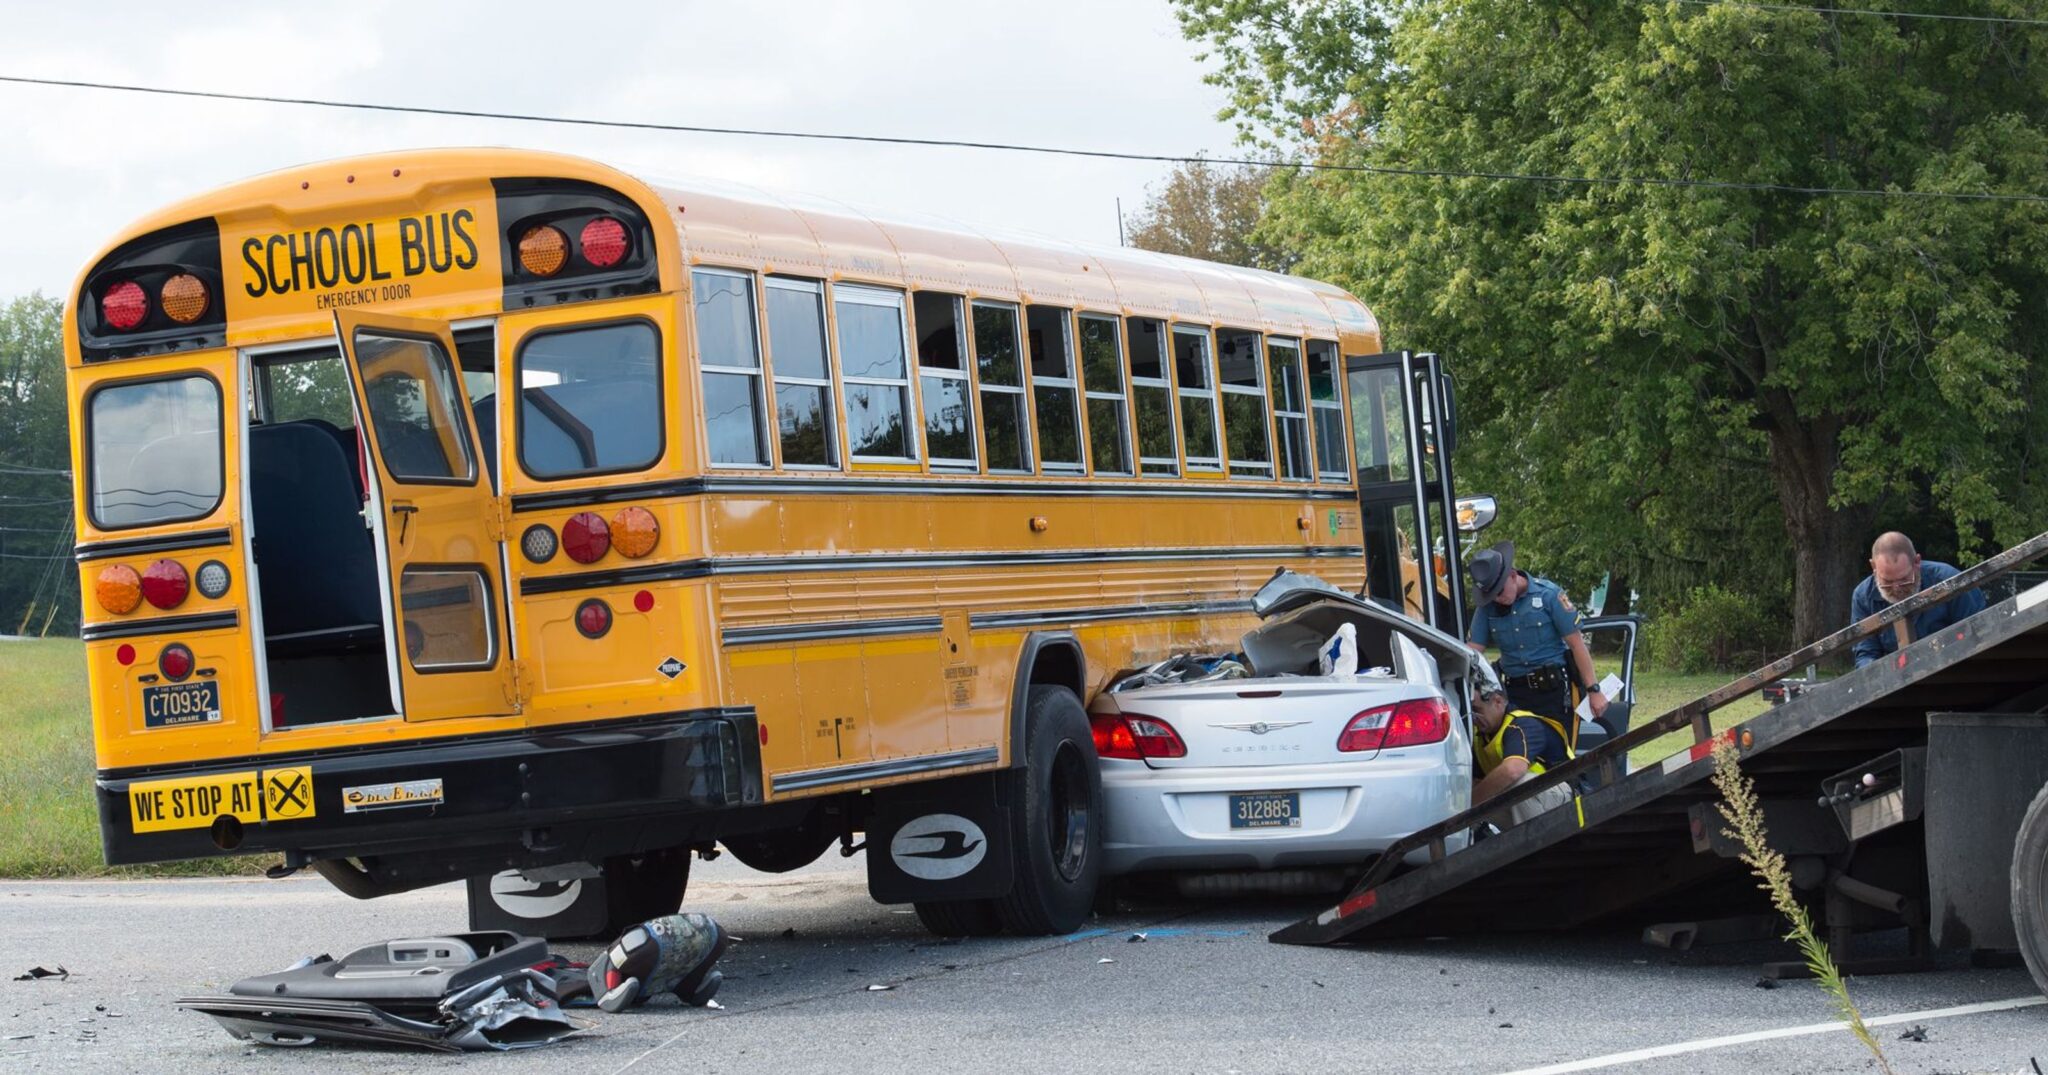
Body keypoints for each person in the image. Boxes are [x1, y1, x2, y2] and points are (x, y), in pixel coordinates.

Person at [1466, 540, 1607, 727]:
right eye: (1491, 595)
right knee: (1520, 749)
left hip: (1553, 692)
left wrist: (1594, 690)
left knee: (1558, 753)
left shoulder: (1549, 596)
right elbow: (1473, 651)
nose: (1497, 599)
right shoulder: (1487, 608)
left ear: (1513, 575)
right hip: (1514, 693)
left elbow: (1576, 645)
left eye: (1499, 591)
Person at [1850, 532, 1987, 668]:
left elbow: (1979, 633)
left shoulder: (1950, 581)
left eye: (1904, 580)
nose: (1897, 588)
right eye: (1887, 581)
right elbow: (1866, 654)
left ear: (1916, 562)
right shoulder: (1863, 597)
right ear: (1873, 567)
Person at [1469, 665, 1575, 826]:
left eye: (1477, 710)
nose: (1474, 717)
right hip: (1529, 804)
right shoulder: (1481, 737)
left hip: (1563, 799)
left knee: (1521, 783)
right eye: (1471, 711)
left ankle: (1537, 846)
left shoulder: (1522, 725)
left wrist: (1468, 805)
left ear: (1497, 701)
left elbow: (1513, 770)